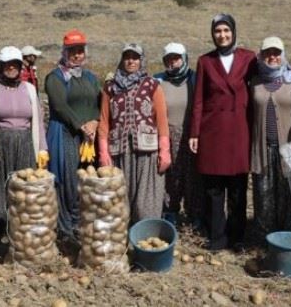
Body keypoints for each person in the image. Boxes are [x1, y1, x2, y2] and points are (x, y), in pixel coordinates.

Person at [188, 14, 255, 251]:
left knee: (237, 187)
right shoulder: (205, 61)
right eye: (218, 31)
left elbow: (267, 74)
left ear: (234, 32)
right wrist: (195, 132)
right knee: (213, 189)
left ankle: (237, 239)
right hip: (212, 131)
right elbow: (198, 100)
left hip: (239, 129)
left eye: (226, 30)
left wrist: (289, 70)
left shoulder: (249, 58)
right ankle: (216, 237)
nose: (222, 35)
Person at [0, 46, 48, 243]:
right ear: (1, 66)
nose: (11, 68)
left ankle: (20, 233)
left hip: (25, 143)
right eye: (7, 64)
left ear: (20, 66)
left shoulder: (30, 89)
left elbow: (38, 122)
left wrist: (42, 148)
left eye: (15, 64)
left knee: (23, 191)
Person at [248, 36, 291, 240]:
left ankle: (285, 238)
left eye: (276, 53)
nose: (272, 57)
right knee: (263, 195)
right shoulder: (254, 81)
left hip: (289, 149)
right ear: (261, 55)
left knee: (288, 195)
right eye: (267, 53)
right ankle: (265, 240)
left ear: (283, 54)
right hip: (262, 148)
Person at [98, 43, 170, 222]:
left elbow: (161, 120)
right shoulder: (111, 87)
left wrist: (165, 150)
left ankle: (145, 238)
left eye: (135, 57)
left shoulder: (152, 86)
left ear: (141, 60)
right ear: (122, 60)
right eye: (127, 57)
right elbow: (105, 121)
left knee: (146, 202)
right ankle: (122, 240)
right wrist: (103, 152)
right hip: (120, 152)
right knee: (120, 201)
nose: (131, 61)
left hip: (147, 152)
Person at [44, 29, 101, 243]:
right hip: (65, 134)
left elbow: (99, 101)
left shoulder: (90, 77)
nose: (77, 55)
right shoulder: (55, 77)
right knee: (67, 182)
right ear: (65, 52)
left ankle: (82, 225)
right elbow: (60, 106)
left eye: (80, 51)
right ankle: (66, 230)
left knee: (85, 180)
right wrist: (81, 126)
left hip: (88, 136)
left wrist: (95, 122)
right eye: (73, 51)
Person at [153, 43, 200, 226]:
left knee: (193, 176)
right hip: (167, 133)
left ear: (184, 58)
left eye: (176, 58)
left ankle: (194, 213)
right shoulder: (158, 80)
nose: (173, 62)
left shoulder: (195, 79)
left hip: (191, 135)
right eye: (168, 59)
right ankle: (170, 211)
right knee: (170, 176)